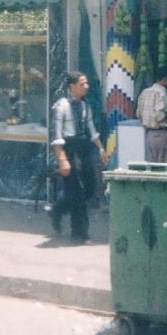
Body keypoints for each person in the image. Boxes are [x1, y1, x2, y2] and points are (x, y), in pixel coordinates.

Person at [50, 71, 108, 243]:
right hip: (68, 149)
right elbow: (56, 136)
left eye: (87, 83)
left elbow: (91, 129)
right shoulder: (61, 106)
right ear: (72, 86)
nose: (86, 87)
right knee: (76, 193)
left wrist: (101, 149)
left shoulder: (85, 105)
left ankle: (58, 209)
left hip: (83, 149)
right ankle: (80, 233)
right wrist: (62, 159)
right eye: (82, 84)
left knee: (89, 188)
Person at [136, 66, 167, 162]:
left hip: (149, 135)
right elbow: (160, 116)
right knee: (166, 166)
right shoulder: (162, 93)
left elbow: (139, 114)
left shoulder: (145, 92)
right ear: (165, 79)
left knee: (152, 166)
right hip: (162, 134)